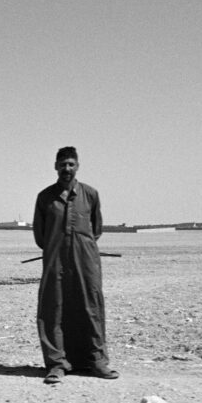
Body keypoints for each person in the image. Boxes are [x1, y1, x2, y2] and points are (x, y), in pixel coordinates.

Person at [32, 146, 118, 384]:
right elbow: (40, 236)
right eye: (62, 164)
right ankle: (57, 364)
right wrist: (57, 247)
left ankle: (96, 361)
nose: (66, 169)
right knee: (53, 309)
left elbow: (96, 229)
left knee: (90, 307)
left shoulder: (90, 194)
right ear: (55, 167)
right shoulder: (45, 197)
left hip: (85, 260)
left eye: (71, 164)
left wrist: (80, 247)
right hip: (55, 261)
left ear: (77, 166)